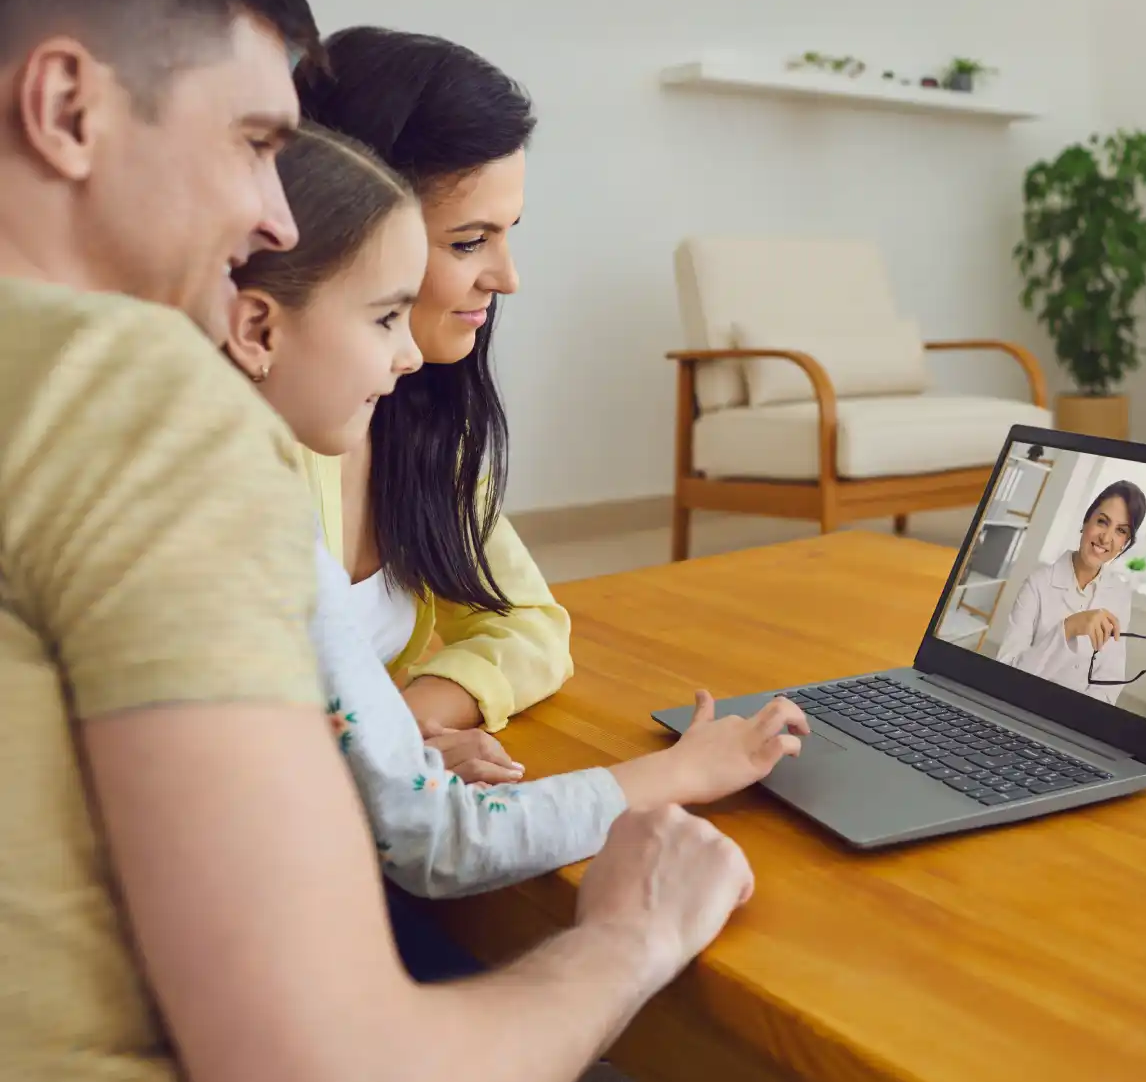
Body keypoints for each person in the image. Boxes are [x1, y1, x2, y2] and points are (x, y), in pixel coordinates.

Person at [0, 0, 761, 1082]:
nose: (277, 215)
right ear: (68, 107)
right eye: (253, 143)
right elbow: (333, 1075)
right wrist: (633, 934)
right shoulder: (137, 393)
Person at [228, 123, 810, 899]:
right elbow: (438, 842)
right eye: (383, 318)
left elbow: (528, 626)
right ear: (257, 326)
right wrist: (675, 773)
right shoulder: (255, 518)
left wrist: (396, 743)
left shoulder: (297, 458)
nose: (405, 357)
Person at [295, 29, 566, 776]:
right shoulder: (247, 436)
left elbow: (531, 629)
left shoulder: (417, 420)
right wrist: (381, 744)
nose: (506, 278)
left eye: (507, 235)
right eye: (469, 241)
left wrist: (398, 724)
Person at [997, 480, 1146, 704]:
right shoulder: (1037, 584)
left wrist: (1081, 720)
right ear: (1086, 521)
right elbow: (1005, 675)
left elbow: (1109, 680)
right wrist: (1068, 628)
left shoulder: (1120, 596)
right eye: (1102, 522)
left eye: (1120, 530)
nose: (1105, 538)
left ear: (1125, 543)